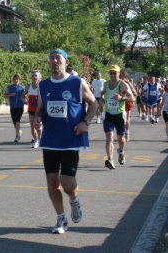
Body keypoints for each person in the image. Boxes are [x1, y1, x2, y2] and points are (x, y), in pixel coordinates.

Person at [33, 48, 98, 234]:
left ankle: (74, 201)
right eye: (51, 58)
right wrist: (38, 117)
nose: (54, 61)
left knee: (67, 182)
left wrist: (85, 122)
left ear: (66, 62)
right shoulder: (43, 85)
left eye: (58, 58)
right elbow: (41, 109)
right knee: (52, 181)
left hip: (71, 138)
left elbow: (93, 103)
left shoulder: (77, 82)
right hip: (50, 139)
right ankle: (61, 218)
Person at [99, 65, 135, 170]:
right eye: (111, 73)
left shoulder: (123, 85)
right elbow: (102, 94)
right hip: (109, 114)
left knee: (121, 139)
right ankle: (110, 159)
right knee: (109, 138)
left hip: (119, 115)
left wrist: (121, 98)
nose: (113, 75)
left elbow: (133, 98)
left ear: (119, 73)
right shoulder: (106, 84)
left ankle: (121, 151)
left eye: (115, 73)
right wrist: (101, 99)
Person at [22, 70, 42, 148]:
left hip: (39, 108)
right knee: (32, 125)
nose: (34, 77)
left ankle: (40, 138)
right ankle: (36, 140)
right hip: (31, 108)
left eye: (36, 75)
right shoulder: (28, 86)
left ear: (39, 77)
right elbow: (23, 95)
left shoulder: (42, 86)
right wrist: (24, 99)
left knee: (38, 126)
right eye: (33, 75)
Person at [4, 74, 25, 142]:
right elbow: (5, 96)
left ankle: (17, 136)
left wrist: (25, 100)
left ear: (20, 80)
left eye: (18, 79)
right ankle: (19, 131)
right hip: (13, 107)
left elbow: (25, 96)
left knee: (17, 120)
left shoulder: (22, 88)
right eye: (15, 79)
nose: (16, 80)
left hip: (20, 106)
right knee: (14, 121)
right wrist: (10, 95)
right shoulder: (9, 88)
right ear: (13, 80)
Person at [119, 70, 137, 141]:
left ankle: (127, 132)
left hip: (126, 102)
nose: (119, 76)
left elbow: (135, 94)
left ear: (124, 76)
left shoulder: (127, 83)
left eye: (121, 75)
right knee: (120, 119)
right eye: (119, 74)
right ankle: (122, 132)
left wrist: (128, 92)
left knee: (127, 118)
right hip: (119, 102)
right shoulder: (116, 82)